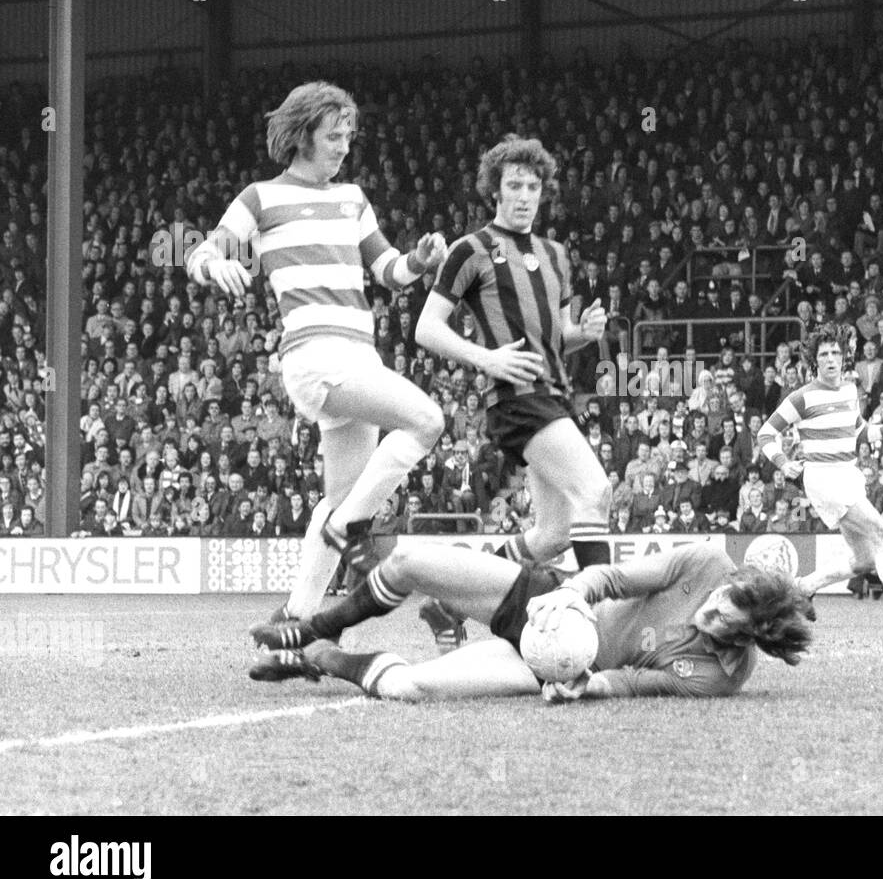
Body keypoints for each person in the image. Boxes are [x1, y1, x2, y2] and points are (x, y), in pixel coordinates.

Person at [186, 82, 447, 668]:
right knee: (428, 419)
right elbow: (203, 251)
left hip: (359, 355)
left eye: (349, 136)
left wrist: (421, 261)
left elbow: (390, 270)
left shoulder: (354, 198)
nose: (344, 147)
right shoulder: (261, 197)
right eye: (334, 136)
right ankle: (356, 531)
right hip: (313, 355)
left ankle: (295, 634)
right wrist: (215, 265)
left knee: (333, 503)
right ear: (303, 135)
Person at [414, 136, 611, 647]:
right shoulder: (471, 250)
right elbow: (426, 328)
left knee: (552, 535)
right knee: (596, 491)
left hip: (553, 394)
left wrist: (582, 335)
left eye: (533, 186)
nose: (525, 195)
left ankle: (449, 600)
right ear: (494, 192)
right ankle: (605, 621)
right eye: (514, 186)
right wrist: (487, 358)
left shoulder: (556, 255)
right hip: (517, 399)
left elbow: (556, 338)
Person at [249, 540, 812, 702]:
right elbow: (613, 579)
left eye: (720, 616)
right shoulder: (708, 562)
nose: (709, 606)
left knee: (414, 687)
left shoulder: (722, 675)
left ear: (748, 633)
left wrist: (583, 688)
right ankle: (318, 625)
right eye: (716, 597)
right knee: (408, 560)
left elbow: (631, 682)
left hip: (548, 666)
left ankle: (321, 657)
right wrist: (568, 594)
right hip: (545, 603)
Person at [757, 325, 883, 623]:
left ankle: (802, 587)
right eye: (824, 354)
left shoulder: (850, 389)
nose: (832, 358)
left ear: (844, 356)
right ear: (814, 360)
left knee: (862, 560)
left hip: (848, 475)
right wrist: (783, 463)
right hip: (823, 478)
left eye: (836, 352)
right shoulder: (802, 397)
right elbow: (766, 433)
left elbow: (860, 432)